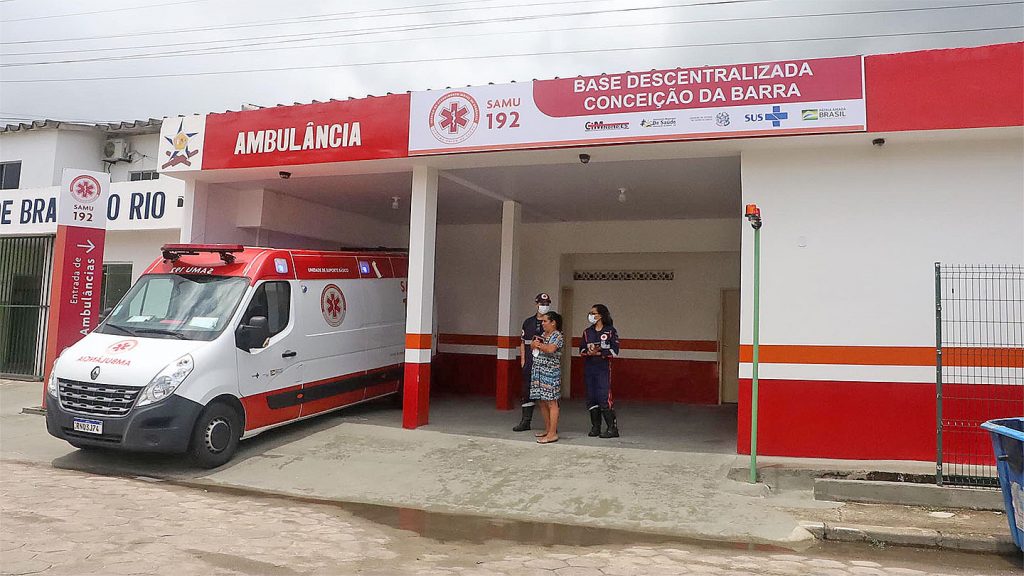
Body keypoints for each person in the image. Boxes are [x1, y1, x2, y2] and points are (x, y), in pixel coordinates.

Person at [579, 304, 620, 438]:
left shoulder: (610, 331)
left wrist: (600, 351)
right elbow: (581, 349)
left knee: (603, 396)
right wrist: (588, 352)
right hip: (589, 367)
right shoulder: (587, 332)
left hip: (603, 368)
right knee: (591, 397)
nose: (590, 315)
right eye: (590, 313)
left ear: (601, 315)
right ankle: (595, 427)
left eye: (593, 313)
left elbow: (615, 351)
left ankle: (612, 428)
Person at [513, 293, 552, 432]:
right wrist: (523, 360)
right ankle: (525, 421)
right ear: (536, 304)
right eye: (542, 304)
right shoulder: (528, 322)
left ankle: (550, 426)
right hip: (530, 362)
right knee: (527, 391)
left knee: (547, 394)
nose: (544, 306)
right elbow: (523, 342)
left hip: (545, 363)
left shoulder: (552, 322)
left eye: (547, 304)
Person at [530, 311, 563, 444]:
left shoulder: (557, 336)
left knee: (551, 402)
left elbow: (550, 349)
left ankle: (553, 433)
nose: (542, 323)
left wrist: (538, 345)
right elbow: (533, 347)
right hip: (538, 370)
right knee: (542, 401)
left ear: (553, 322)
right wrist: (534, 344)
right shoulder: (543, 335)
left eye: (545, 321)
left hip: (550, 372)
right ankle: (548, 429)